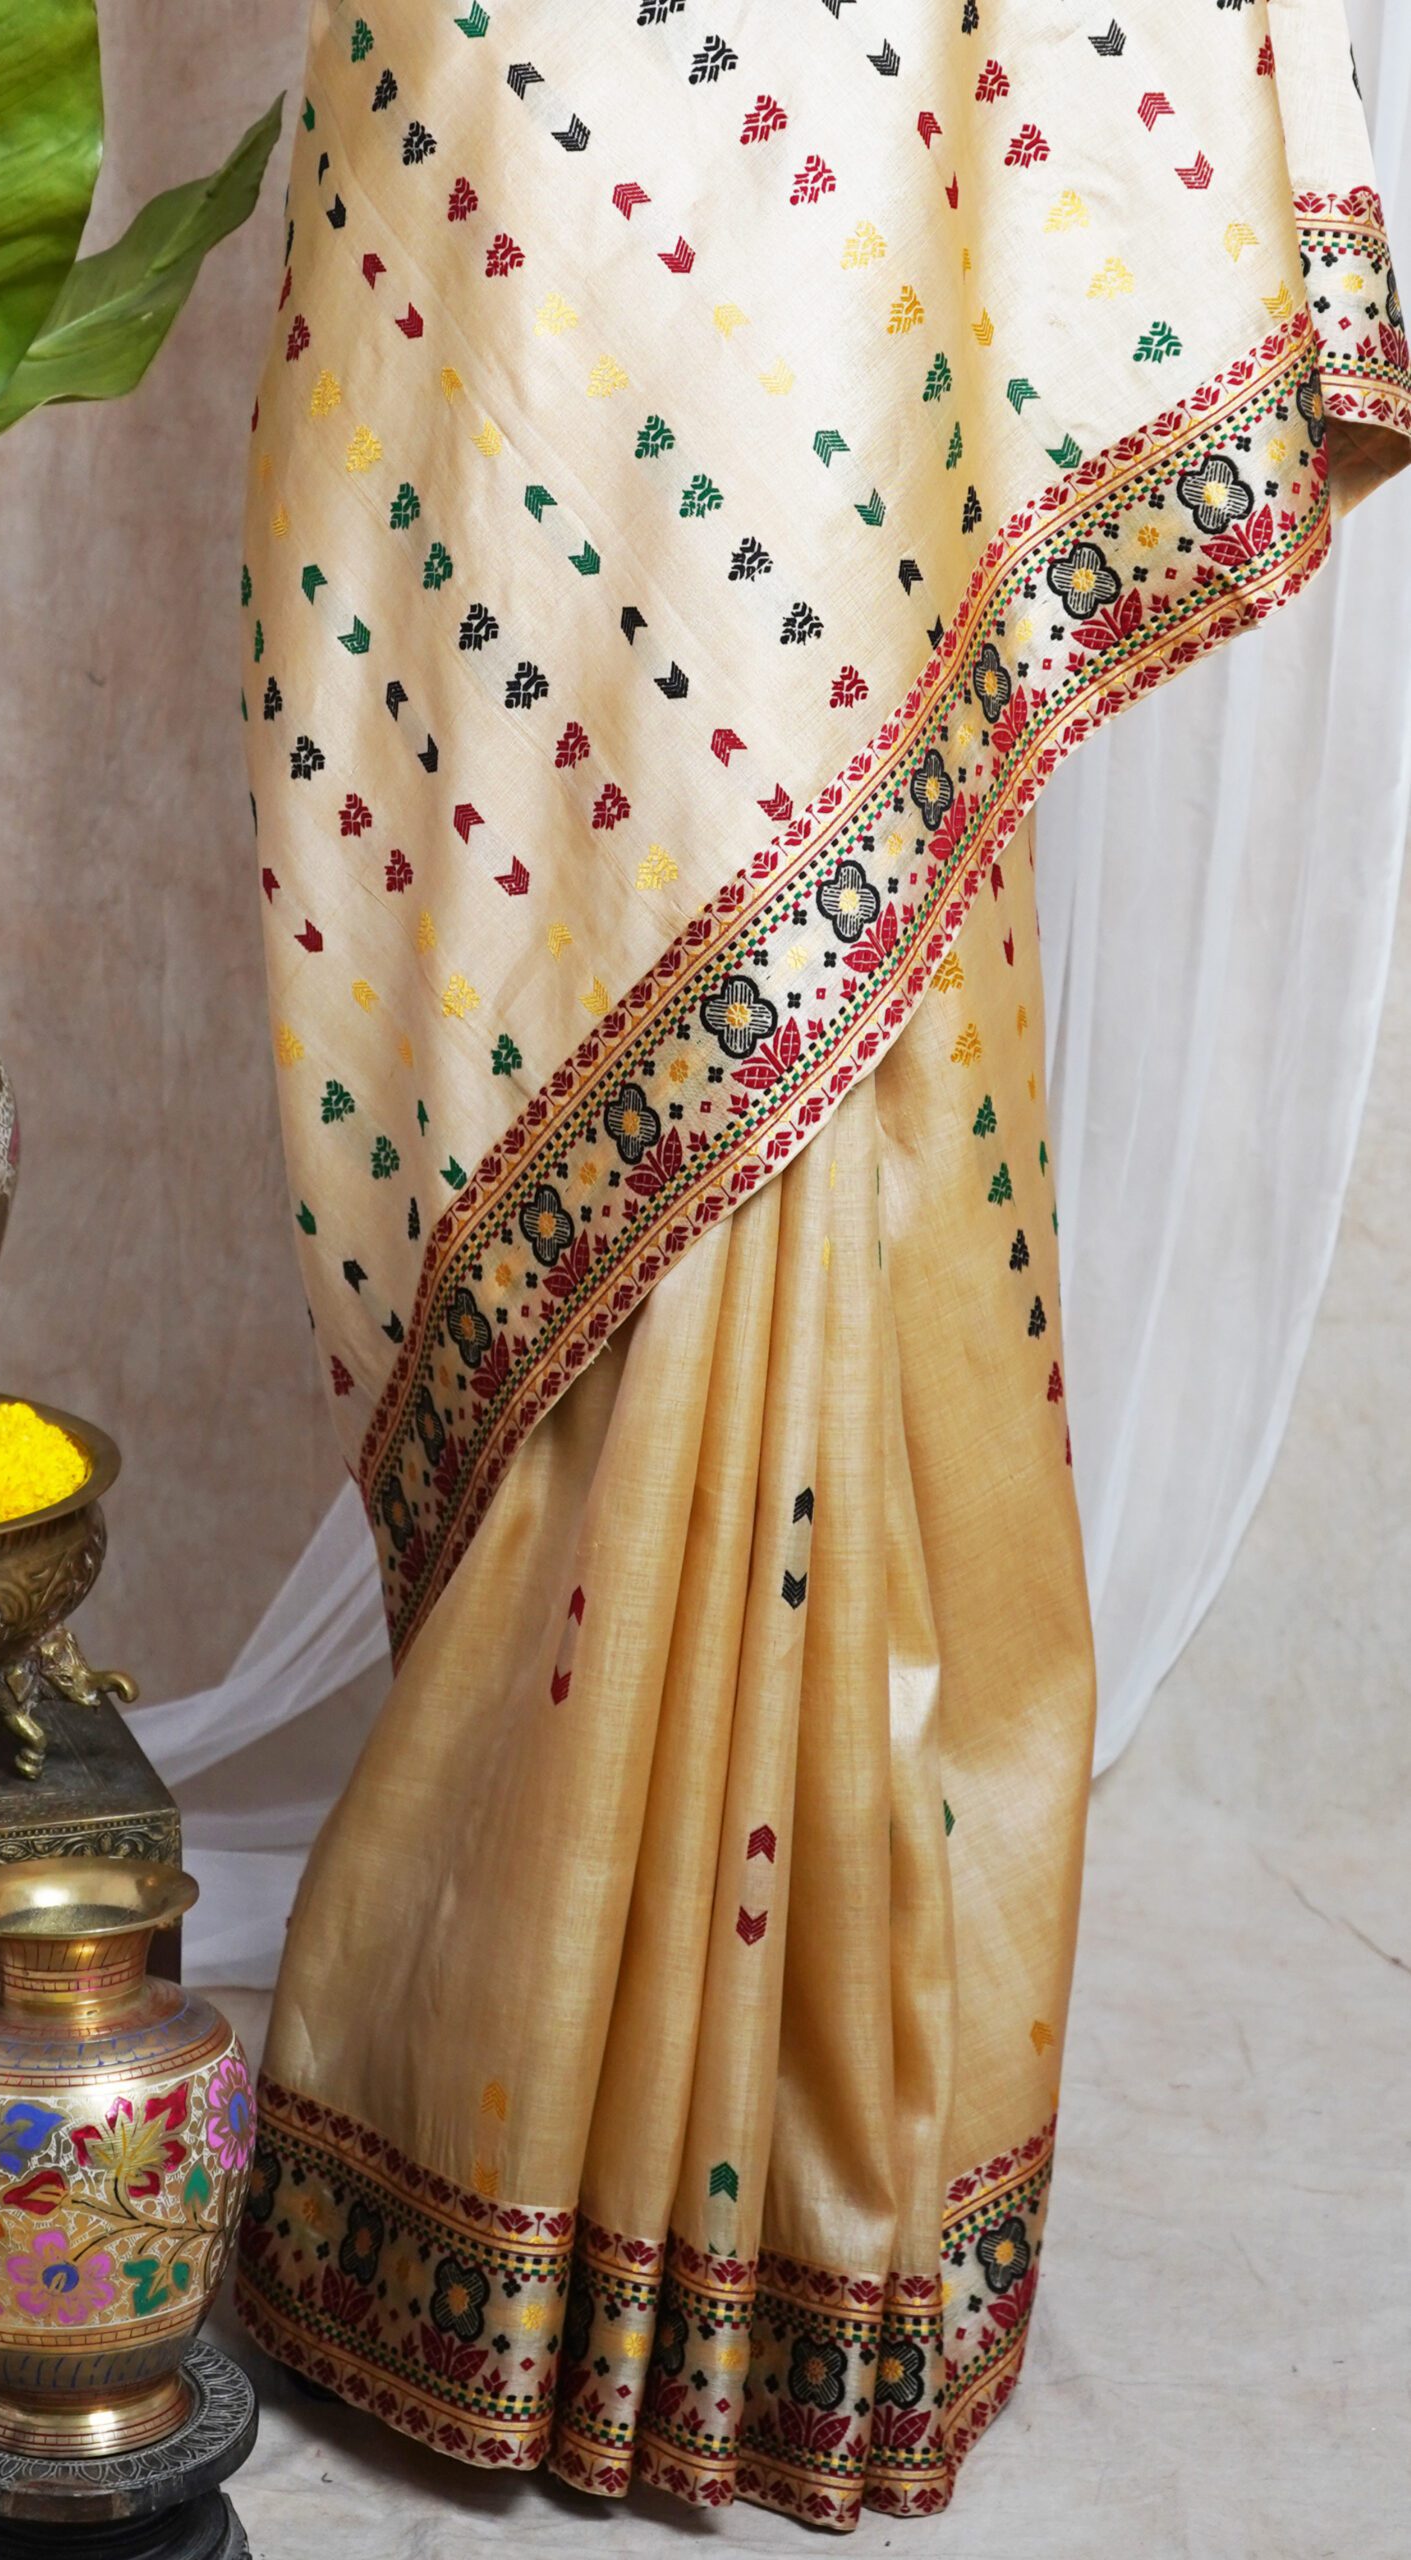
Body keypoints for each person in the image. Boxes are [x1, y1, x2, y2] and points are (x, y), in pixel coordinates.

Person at [233, 1, 1407, 2530]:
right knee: (629, 988)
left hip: (834, 154)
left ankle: (758, 2207)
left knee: (838, 980)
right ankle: (527, 2141)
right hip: (513, 144)